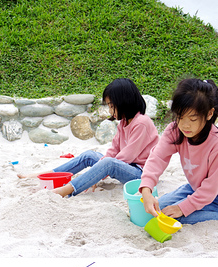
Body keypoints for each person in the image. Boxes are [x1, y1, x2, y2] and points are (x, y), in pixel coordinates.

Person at [139, 78, 218, 224]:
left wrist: (181, 208)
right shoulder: (174, 130)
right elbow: (157, 158)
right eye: (180, 116)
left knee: (178, 217)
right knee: (159, 209)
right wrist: (146, 189)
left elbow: (210, 189)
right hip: (196, 187)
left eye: (193, 119)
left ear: (209, 114)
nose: (184, 125)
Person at [32, 78, 160, 198]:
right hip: (126, 165)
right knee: (89, 155)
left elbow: (127, 156)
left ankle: (66, 190)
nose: (110, 111)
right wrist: (98, 170)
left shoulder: (142, 123)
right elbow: (114, 150)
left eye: (111, 106)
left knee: (108, 163)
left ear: (124, 102)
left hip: (141, 173)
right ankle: (52, 173)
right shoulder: (124, 122)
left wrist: (99, 173)